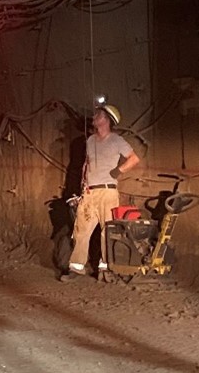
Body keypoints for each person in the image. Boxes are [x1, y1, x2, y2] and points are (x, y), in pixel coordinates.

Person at [60, 103, 140, 280]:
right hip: (89, 192)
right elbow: (85, 165)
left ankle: (105, 268)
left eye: (99, 115)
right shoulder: (89, 141)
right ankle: (76, 268)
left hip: (107, 192)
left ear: (107, 120)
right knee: (81, 229)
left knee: (108, 230)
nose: (95, 117)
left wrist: (118, 171)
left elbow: (134, 158)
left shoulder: (116, 140)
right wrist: (82, 187)